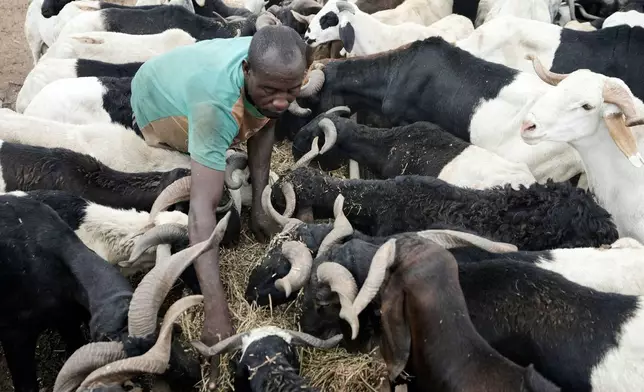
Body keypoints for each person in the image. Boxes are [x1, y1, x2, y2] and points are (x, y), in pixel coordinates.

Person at [129, 26, 308, 350]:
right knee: (204, 165)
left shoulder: (275, 66)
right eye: (270, 89)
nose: (282, 102)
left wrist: (259, 209)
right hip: (155, 98)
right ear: (246, 71)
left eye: (292, 90)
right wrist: (216, 309)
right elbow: (201, 212)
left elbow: (266, 117)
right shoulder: (216, 106)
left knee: (262, 111)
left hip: (192, 74)